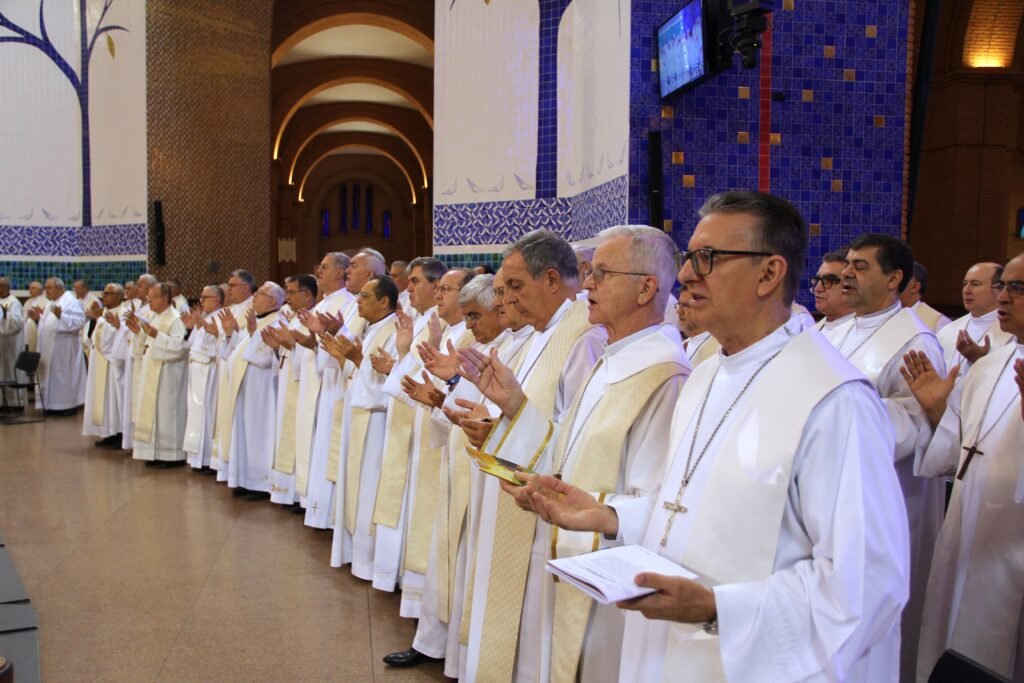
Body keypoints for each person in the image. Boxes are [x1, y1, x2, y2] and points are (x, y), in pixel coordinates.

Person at [524, 191, 909, 682]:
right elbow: (690, 507)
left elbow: (868, 583)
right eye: (689, 259)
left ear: (769, 274)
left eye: (708, 259)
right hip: (670, 651)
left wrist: (719, 608)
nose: (684, 276)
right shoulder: (707, 375)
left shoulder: (834, 402)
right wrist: (611, 514)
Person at [466, 226, 690, 682]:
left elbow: (663, 503)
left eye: (601, 274)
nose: (585, 284)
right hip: (574, 558)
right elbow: (568, 454)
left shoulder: (664, 376)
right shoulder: (612, 359)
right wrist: (515, 408)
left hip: (614, 580)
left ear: (647, 287)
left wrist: (606, 516)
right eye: (589, 272)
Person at [454, 229, 606, 682]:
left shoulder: (583, 337)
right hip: (516, 486)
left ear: (553, 280)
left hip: (546, 504)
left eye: (515, 287)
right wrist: (493, 427)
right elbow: (523, 410)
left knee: (535, 632)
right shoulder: (539, 334)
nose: (507, 302)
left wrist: (510, 422)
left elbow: (579, 435)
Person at [902, 253, 1024, 681]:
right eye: (1004, 286)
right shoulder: (990, 363)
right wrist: (937, 409)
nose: (1003, 297)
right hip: (965, 529)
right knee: (947, 637)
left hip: (1011, 545)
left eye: (1018, 288)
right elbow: (960, 455)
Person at [832, 234, 946, 682]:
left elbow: (916, 426)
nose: (846, 273)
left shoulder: (915, 340)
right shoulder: (836, 329)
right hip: (836, 487)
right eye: (848, 265)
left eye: (860, 267)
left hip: (888, 495)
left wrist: (840, 413)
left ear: (895, 279)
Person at [385, 267, 473, 619]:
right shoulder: (448, 330)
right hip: (433, 431)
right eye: (438, 288)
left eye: (446, 289)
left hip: (452, 440)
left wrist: (440, 396)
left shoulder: (466, 335)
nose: (439, 295)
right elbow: (415, 386)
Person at [370, 256, 447, 595]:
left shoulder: (440, 326)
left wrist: (398, 364)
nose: (409, 288)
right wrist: (400, 357)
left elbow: (428, 377)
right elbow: (411, 370)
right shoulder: (417, 320)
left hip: (429, 426)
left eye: (415, 281)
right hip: (409, 421)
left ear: (436, 285)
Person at [301, 249, 383, 528]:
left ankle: (334, 516)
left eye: (355, 266)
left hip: (354, 388)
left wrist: (330, 333)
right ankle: (327, 513)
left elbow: (360, 349)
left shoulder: (358, 305)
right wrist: (328, 333)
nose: (349, 270)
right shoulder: (352, 304)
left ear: (370, 274)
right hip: (339, 385)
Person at [326, 275, 400, 579]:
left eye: (365, 296)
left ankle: (369, 561)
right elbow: (360, 375)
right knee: (356, 488)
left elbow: (390, 382)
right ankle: (358, 556)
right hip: (360, 419)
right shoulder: (373, 329)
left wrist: (356, 358)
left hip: (377, 423)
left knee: (368, 489)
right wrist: (346, 359)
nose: (358, 301)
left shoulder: (394, 330)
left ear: (384, 301)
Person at [223, 281, 286, 499]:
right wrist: (236, 333)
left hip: (262, 390)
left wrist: (251, 333)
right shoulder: (257, 321)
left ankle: (259, 482)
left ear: (272, 300)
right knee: (245, 432)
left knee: (259, 433)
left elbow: (264, 358)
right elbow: (233, 351)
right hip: (245, 389)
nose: (255, 297)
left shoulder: (277, 322)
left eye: (259, 294)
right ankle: (244, 477)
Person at [266, 275, 317, 506]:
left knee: (301, 440)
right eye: (287, 292)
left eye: (292, 292)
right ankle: (287, 491)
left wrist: (290, 346)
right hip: (289, 383)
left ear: (307, 295)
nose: (288, 297)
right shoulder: (295, 318)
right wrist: (280, 347)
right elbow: (288, 350)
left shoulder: (309, 318)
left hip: (302, 385)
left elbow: (308, 352)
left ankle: (298, 496)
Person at [128, 283, 189, 466]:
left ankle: (171, 455)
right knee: (154, 414)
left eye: (152, 297)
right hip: (152, 372)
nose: (149, 301)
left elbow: (180, 348)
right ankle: (155, 453)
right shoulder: (155, 317)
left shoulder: (175, 319)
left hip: (169, 377)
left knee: (167, 414)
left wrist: (156, 335)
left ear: (164, 298)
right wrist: (139, 333)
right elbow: (147, 344)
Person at [211, 269, 256, 479]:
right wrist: (224, 334)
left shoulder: (253, 309)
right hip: (226, 367)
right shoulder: (231, 309)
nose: (229, 290)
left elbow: (247, 342)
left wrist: (231, 333)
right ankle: (225, 467)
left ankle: (236, 470)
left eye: (233, 285)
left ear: (246, 287)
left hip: (240, 372)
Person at [936, 262, 1012, 378]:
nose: (967, 290)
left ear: (999, 289)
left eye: (975, 284)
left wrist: (980, 360)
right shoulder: (948, 331)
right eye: (965, 284)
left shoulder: (1013, 332)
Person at [27, 277, 87, 414]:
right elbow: (48, 323)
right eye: (46, 287)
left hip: (64, 348)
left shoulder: (71, 301)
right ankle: (50, 405)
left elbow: (79, 322)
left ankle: (66, 406)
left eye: (49, 288)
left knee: (63, 378)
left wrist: (62, 316)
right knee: (50, 377)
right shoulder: (51, 303)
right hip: (50, 347)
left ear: (60, 288)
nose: (46, 291)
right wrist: (38, 319)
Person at [182, 285, 224, 472]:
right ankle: (196, 458)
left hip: (210, 373)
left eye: (205, 297)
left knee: (207, 415)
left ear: (217, 300)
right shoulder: (207, 318)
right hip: (197, 372)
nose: (201, 300)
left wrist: (208, 329)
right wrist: (193, 328)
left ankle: (207, 459)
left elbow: (220, 344)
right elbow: (191, 345)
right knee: (196, 414)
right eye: (201, 296)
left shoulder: (222, 317)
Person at [82, 283, 129, 446]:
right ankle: (109, 431)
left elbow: (110, 339)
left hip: (113, 365)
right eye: (104, 293)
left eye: (109, 293)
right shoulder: (104, 314)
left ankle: (121, 434)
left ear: (120, 296)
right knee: (106, 401)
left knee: (116, 399)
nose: (104, 296)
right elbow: (93, 338)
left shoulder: (124, 313)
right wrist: (95, 320)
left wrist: (98, 319)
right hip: (100, 362)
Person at [117, 273, 156, 449]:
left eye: (139, 285)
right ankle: (133, 441)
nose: (136, 288)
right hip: (135, 358)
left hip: (144, 360)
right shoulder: (140, 307)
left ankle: (140, 443)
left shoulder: (152, 310)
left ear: (149, 288)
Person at [810, 249, 854, 337]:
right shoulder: (812, 330)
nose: (817, 289)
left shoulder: (861, 335)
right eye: (817, 280)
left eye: (829, 280)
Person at [900, 262, 952, 332]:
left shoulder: (938, 322)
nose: (892, 285)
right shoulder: (886, 316)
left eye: (900, 280)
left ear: (914, 287)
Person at [677, 288, 720, 368]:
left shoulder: (719, 347)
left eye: (686, 305)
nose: (679, 311)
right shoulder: (681, 345)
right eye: (679, 305)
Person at [0, 277, 25, 409]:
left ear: (6, 287)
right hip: (1, 346)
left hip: (11, 345)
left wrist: (5, 315)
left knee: (12, 370)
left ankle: (15, 403)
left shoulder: (14, 302)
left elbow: (16, 324)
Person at [22, 281, 46, 353]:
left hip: (36, 331)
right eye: (30, 288)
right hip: (25, 331)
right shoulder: (28, 301)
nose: (30, 290)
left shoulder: (45, 301)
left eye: (33, 288)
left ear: (40, 290)